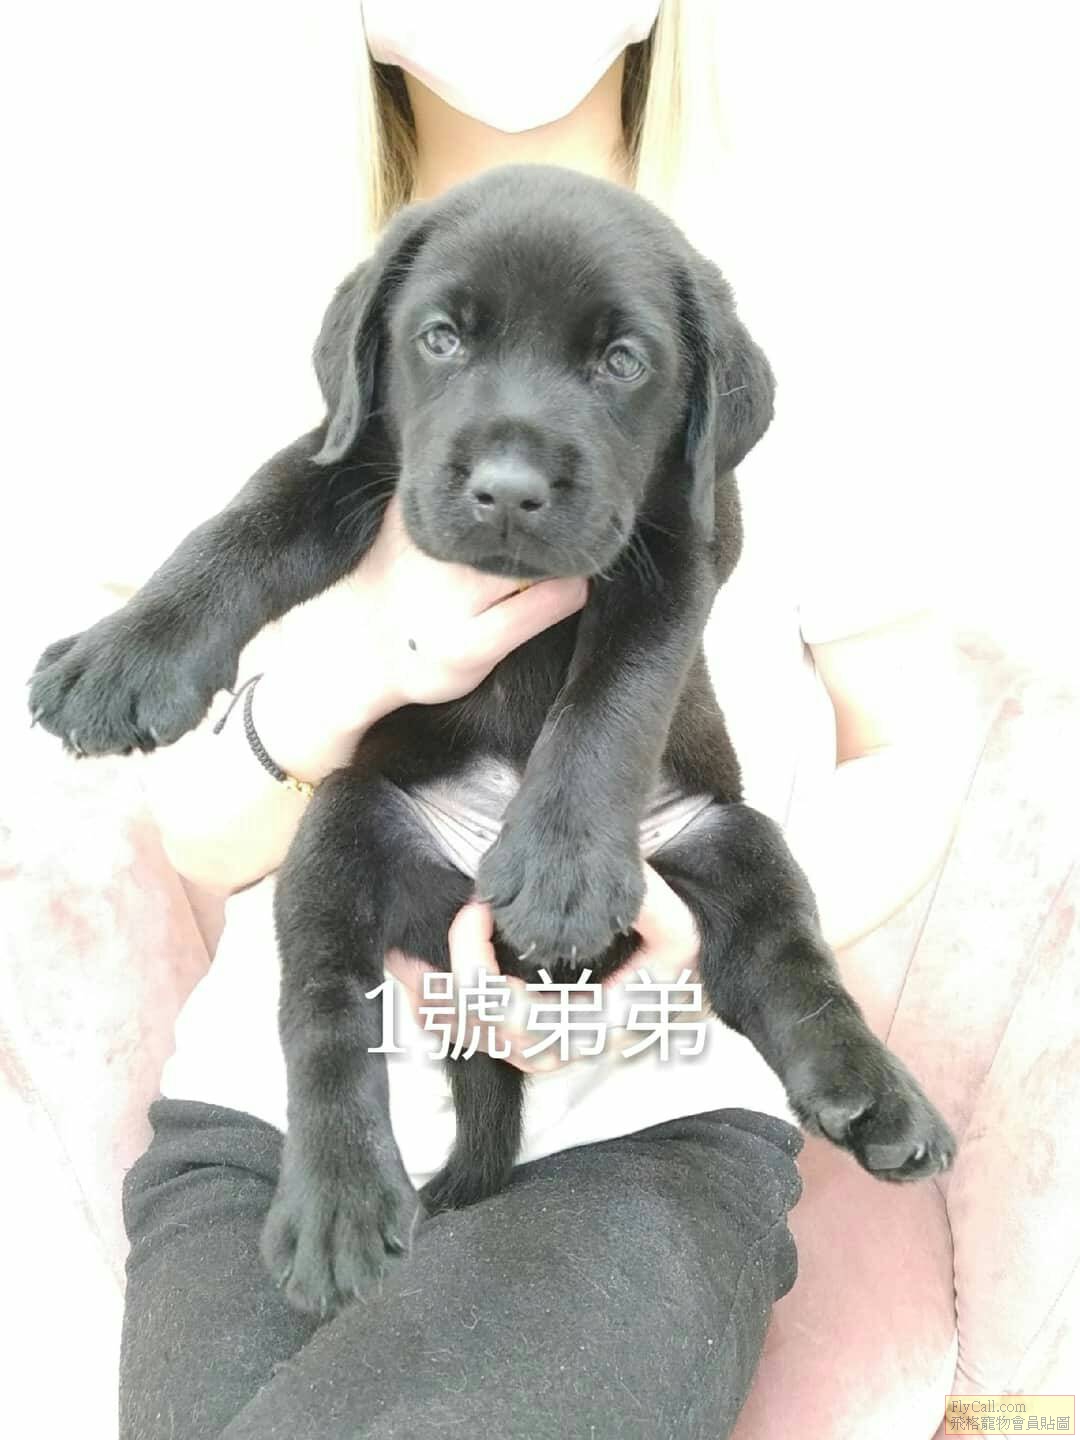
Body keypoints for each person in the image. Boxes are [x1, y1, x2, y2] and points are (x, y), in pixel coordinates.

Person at [118, 3, 972, 1437]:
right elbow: (199, 831)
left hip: (641, 1120)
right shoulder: (243, 306)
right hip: (280, 1120)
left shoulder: (796, 304)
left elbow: (919, 754)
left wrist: (684, 955)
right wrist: (359, 660)